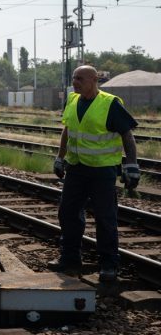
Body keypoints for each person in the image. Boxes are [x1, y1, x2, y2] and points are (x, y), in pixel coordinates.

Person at [48, 65, 139, 282]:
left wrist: (132, 165)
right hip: (76, 168)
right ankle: (70, 258)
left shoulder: (110, 103)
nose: (75, 82)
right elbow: (67, 130)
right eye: (73, 78)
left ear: (94, 80)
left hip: (102, 171)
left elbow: (127, 135)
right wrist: (60, 158)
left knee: (105, 217)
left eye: (80, 78)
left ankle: (109, 265)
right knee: (68, 213)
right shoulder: (72, 100)